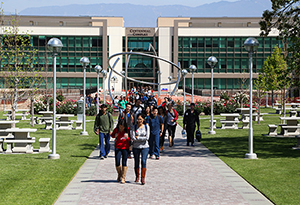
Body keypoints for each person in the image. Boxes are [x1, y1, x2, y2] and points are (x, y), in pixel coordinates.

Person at [131, 113, 150, 185]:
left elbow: (147, 138)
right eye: (138, 119)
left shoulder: (146, 127)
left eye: (141, 119)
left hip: (145, 147)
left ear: (143, 119)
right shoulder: (134, 127)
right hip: (136, 147)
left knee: (143, 161)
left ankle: (143, 178)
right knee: (136, 161)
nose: (139, 121)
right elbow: (133, 137)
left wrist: (138, 138)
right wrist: (141, 138)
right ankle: (137, 176)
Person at [111, 119, 131, 183]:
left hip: (125, 147)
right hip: (118, 147)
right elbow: (112, 135)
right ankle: (119, 174)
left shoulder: (127, 130)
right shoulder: (116, 130)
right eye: (120, 126)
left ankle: (123, 177)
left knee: (124, 162)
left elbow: (131, 138)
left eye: (122, 126)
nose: (121, 127)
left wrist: (127, 138)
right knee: (117, 162)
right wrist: (114, 135)